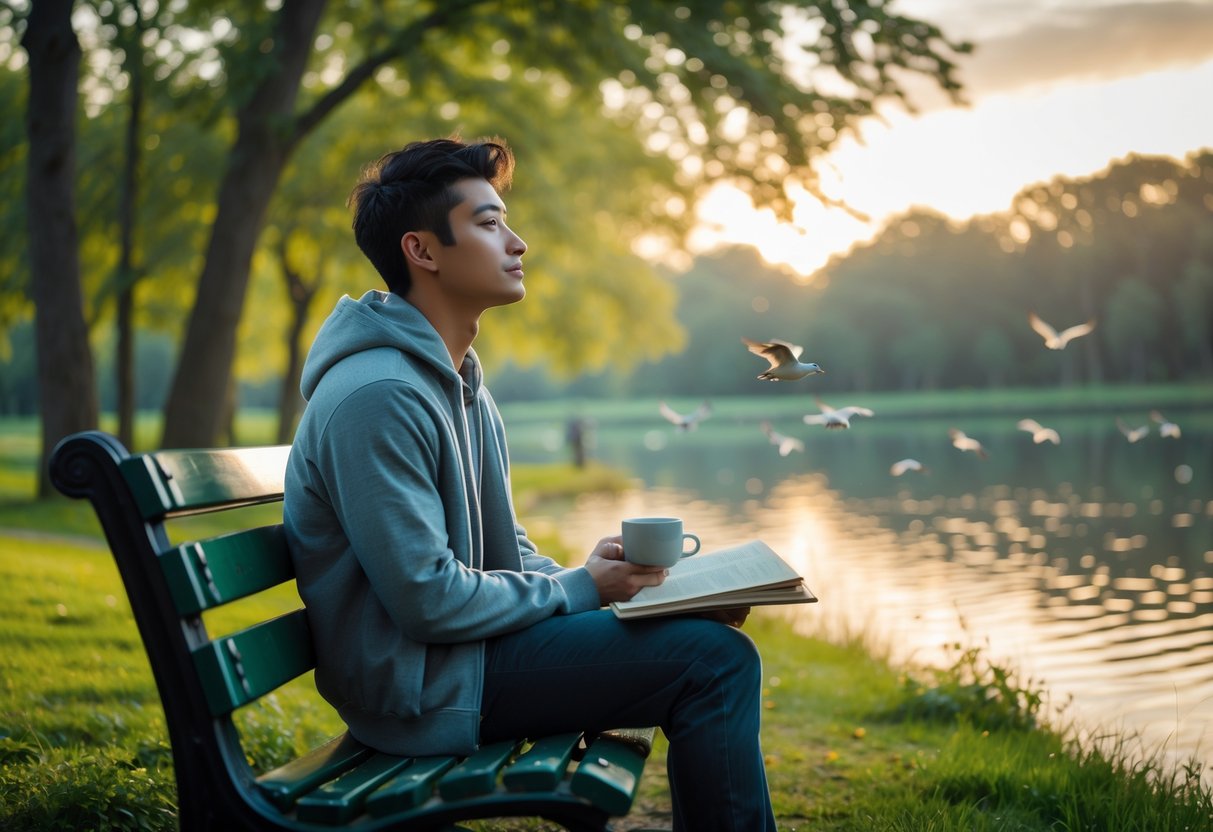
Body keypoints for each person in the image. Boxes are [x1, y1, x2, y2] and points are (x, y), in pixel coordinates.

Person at [283, 136, 776, 831]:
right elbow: (426, 597)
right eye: (487, 224)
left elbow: (501, 549)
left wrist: (606, 590)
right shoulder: (380, 394)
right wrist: (578, 592)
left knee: (700, 642)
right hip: (425, 689)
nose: (516, 243)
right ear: (421, 251)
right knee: (714, 663)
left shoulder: (458, 382)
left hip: (463, 663)